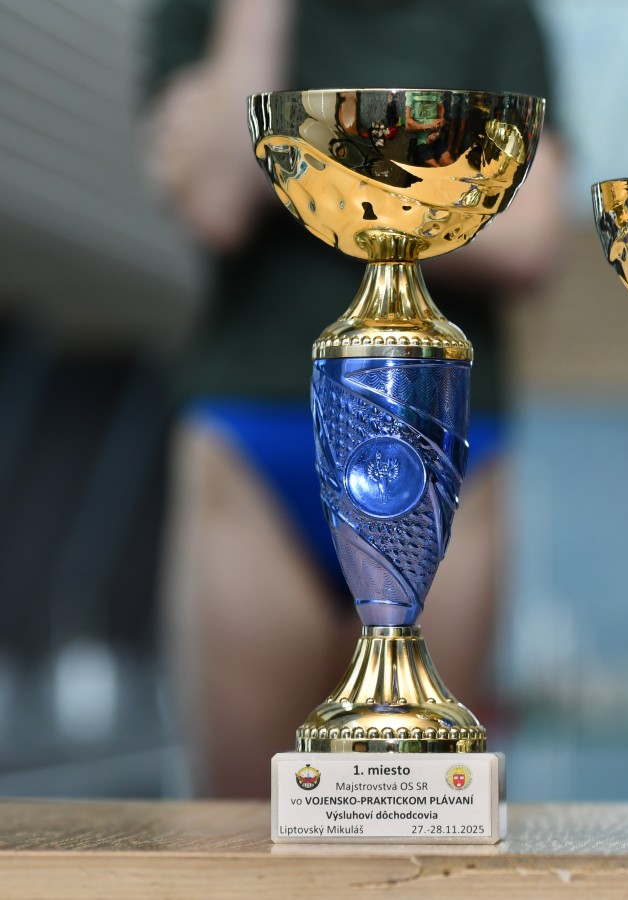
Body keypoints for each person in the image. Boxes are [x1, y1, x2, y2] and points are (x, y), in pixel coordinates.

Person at [145, 0, 564, 797]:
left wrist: (300, 160)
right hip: (255, 434)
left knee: (429, 813)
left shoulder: (494, 14)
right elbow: (214, 196)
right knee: (241, 828)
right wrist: (428, 168)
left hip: (442, 433)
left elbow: (531, 231)